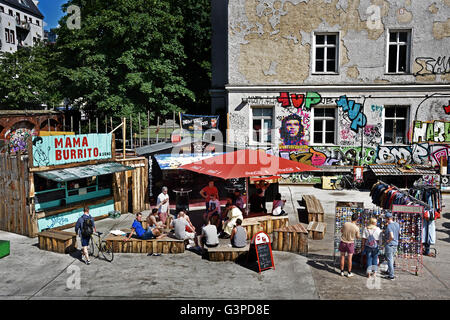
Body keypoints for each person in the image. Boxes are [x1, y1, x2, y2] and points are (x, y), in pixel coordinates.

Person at [339, 213, 360, 277]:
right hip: (350, 243)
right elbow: (357, 237)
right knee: (349, 259)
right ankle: (349, 272)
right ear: (357, 219)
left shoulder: (345, 224)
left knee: (342, 256)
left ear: (351, 218)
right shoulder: (356, 228)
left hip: (343, 242)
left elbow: (341, 231)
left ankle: (342, 271)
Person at [383, 212, 400, 280]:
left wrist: (388, 240)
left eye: (385, 219)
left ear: (388, 218)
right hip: (396, 244)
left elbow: (391, 236)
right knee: (392, 258)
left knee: (389, 259)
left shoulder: (390, 226)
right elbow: (399, 233)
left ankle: (391, 275)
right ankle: (389, 271)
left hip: (390, 244)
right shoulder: (397, 224)